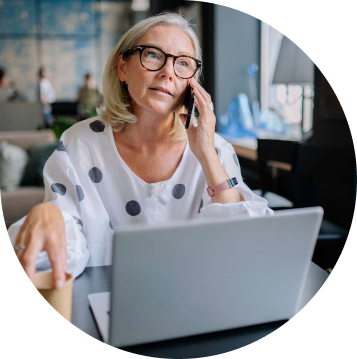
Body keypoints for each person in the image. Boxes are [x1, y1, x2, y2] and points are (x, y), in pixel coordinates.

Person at [8, 13, 273, 290]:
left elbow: (244, 246)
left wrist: (206, 154)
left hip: (196, 302)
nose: (168, 72)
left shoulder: (216, 148)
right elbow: (60, 248)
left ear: (192, 83)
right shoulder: (80, 144)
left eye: (183, 63)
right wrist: (49, 216)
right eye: (154, 55)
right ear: (122, 67)